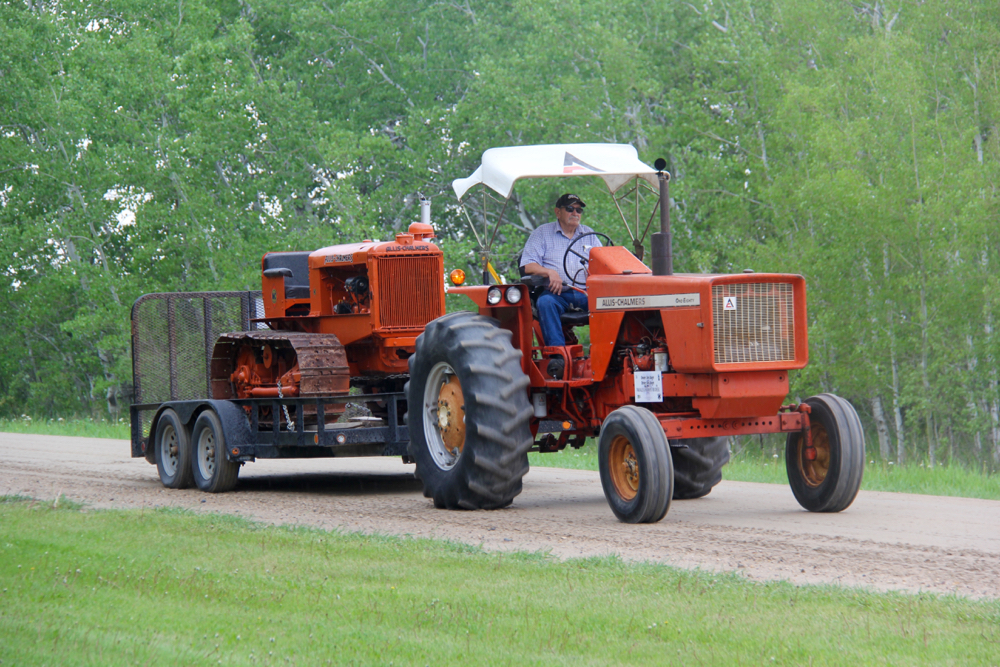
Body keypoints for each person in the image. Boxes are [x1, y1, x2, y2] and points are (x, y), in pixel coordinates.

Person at [520, 193, 602, 379]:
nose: (575, 213)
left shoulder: (589, 235)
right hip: (557, 294)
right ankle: (557, 356)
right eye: (570, 208)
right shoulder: (542, 233)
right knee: (545, 303)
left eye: (579, 209)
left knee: (609, 304)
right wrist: (549, 272)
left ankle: (608, 353)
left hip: (585, 293)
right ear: (558, 212)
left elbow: (604, 260)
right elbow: (528, 265)